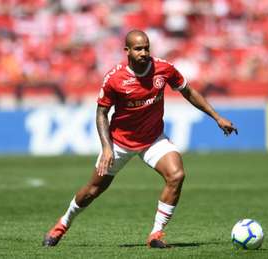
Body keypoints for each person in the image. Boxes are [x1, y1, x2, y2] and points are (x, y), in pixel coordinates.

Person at [43, 30, 238, 248]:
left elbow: (188, 91)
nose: (144, 52)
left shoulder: (163, 69)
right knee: (92, 190)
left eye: (146, 48)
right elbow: (101, 113)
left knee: (177, 175)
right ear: (127, 51)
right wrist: (107, 148)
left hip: (153, 139)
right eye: (138, 48)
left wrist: (217, 117)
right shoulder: (114, 78)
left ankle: (156, 234)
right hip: (119, 142)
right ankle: (62, 224)